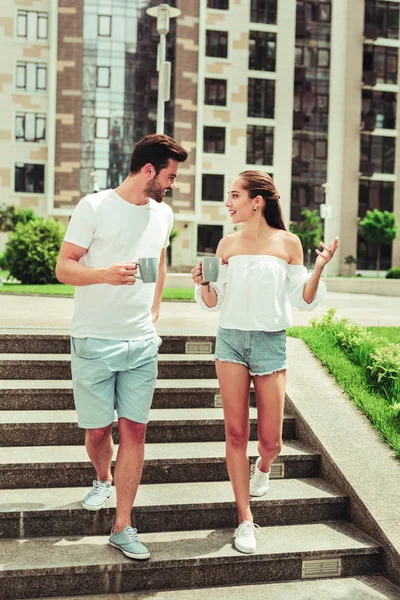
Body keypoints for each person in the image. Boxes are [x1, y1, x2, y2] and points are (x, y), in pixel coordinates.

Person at [191, 170, 338, 555]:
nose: (229, 203)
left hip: (271, 343)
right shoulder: (226, 245)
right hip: (231, 342)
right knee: (236, 434)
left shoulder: (288, 243)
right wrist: (204, 283)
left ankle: (262, 468)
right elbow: (213, 303)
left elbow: (301, 298)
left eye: (235, 195)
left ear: (257, 201)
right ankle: (245, 519)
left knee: (270, 441)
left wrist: (319, 267)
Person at [56, 134, 188, 560]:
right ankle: (102, 478)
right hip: (93, 339)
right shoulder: (93, 207)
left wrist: (154, 309)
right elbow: (63, 268)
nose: (171, 184)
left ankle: (123, 524)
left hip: (141, 343)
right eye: (169, 176)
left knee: (134, 430)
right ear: (148, 170)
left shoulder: (162, 214)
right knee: (98, 432)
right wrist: (105, 276)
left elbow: (157, 261)